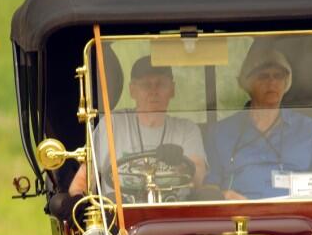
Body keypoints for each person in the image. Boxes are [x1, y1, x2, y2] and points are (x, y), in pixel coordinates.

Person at [205, 44, 312, 200]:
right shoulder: (221, 132)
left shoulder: (307, 129)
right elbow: (207, 188)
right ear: (247, 82)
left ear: (286, 82)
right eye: (263, 76)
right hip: (238, 220)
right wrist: (224, 196)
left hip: (296, 218)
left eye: (278, 76)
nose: (272, 82)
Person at [68, 55, 207, 200]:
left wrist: (181, 164)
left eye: (160, 84)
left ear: (172, 89)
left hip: (175, 215)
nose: (154, 91)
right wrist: (79, 204)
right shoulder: (112, 125)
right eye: (146, 85)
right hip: (119, 216)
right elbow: (81, 182)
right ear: (132, 90)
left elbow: (198, 176)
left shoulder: (187, 130)